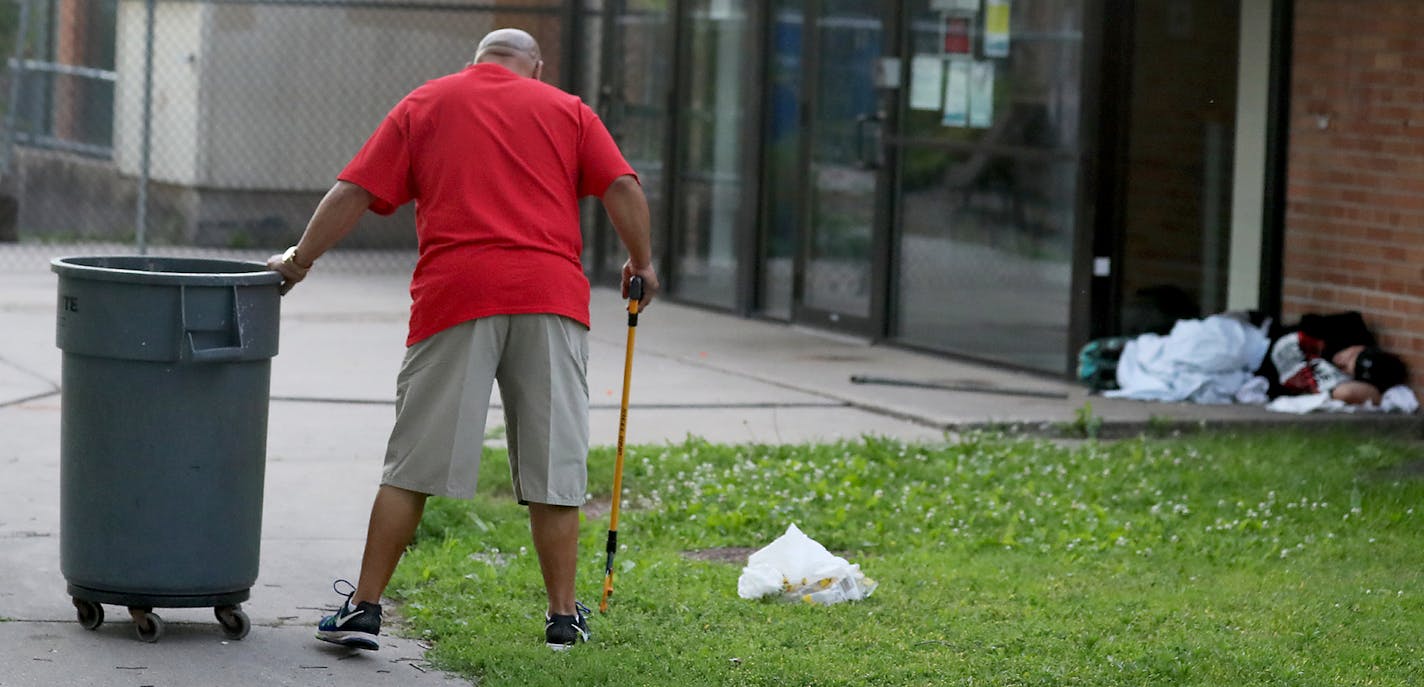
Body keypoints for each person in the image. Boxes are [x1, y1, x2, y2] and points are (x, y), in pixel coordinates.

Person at [266, 28, 659, 652]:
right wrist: (641, 262)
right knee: (554, 466)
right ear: (535, 66)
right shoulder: (567, 109)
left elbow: (356, 191)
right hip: (550, 299)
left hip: (457, 298)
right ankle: (563, 619)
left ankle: (364, 609)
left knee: (412, 466)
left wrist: (297, 262)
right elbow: (622, 187)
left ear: (474, 62)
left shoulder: (428, 101)